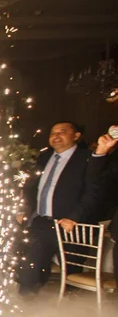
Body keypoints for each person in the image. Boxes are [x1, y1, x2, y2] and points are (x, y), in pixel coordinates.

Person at [17, 122, 106, 295]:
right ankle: (26, 303)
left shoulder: (87, 158)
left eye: (62, 132)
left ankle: (70, 307)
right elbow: (31, 188)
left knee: (72, 275)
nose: (56, 136)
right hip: (41, 222)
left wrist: (74, 217)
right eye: (53, 132)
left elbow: (93, 193)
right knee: (29, 270)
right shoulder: (44, 158)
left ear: (76, 136)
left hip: (69, 225)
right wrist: (24, 210)